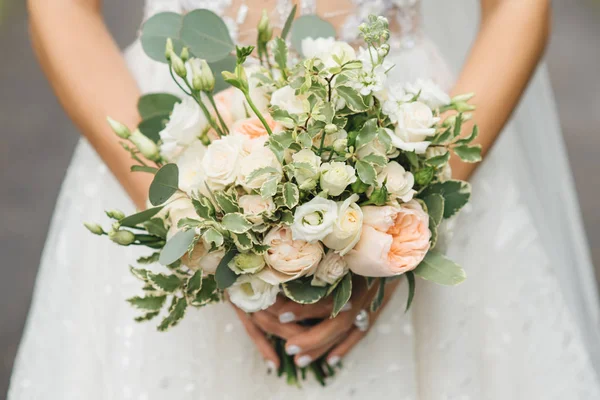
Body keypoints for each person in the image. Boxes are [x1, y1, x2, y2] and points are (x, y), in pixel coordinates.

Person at [9, 0, 600, 398]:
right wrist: (191, 220)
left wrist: (402, 219)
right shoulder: (179, 188)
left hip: (405, 126)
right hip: (177, 130)